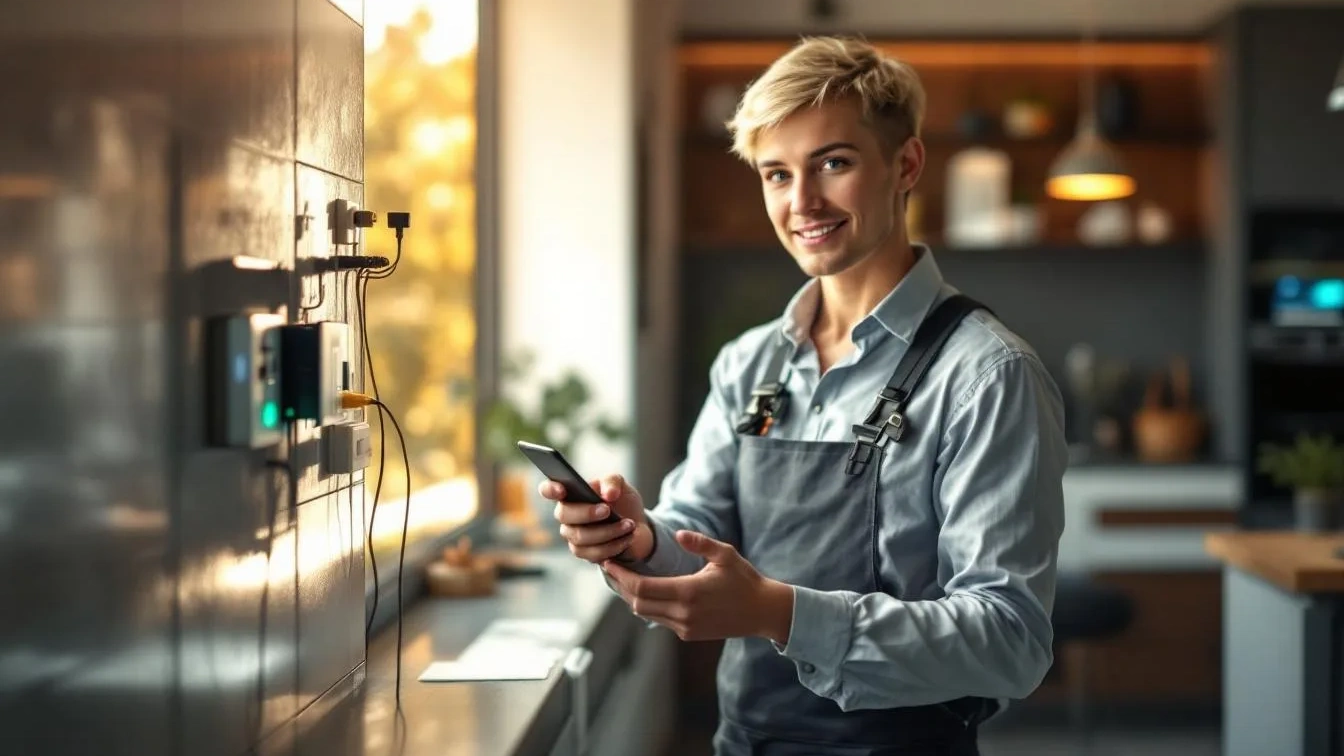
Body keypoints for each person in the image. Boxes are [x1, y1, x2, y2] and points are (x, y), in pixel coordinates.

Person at [541, 36, 1068, 756]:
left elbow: (1010, 639)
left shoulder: (987, 375)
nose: (803, 202)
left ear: (906, 164)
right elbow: (697, 530)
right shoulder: (750, 363)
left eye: (834, 163)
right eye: (776, 174)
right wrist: (636, 538)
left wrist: (780, 613)